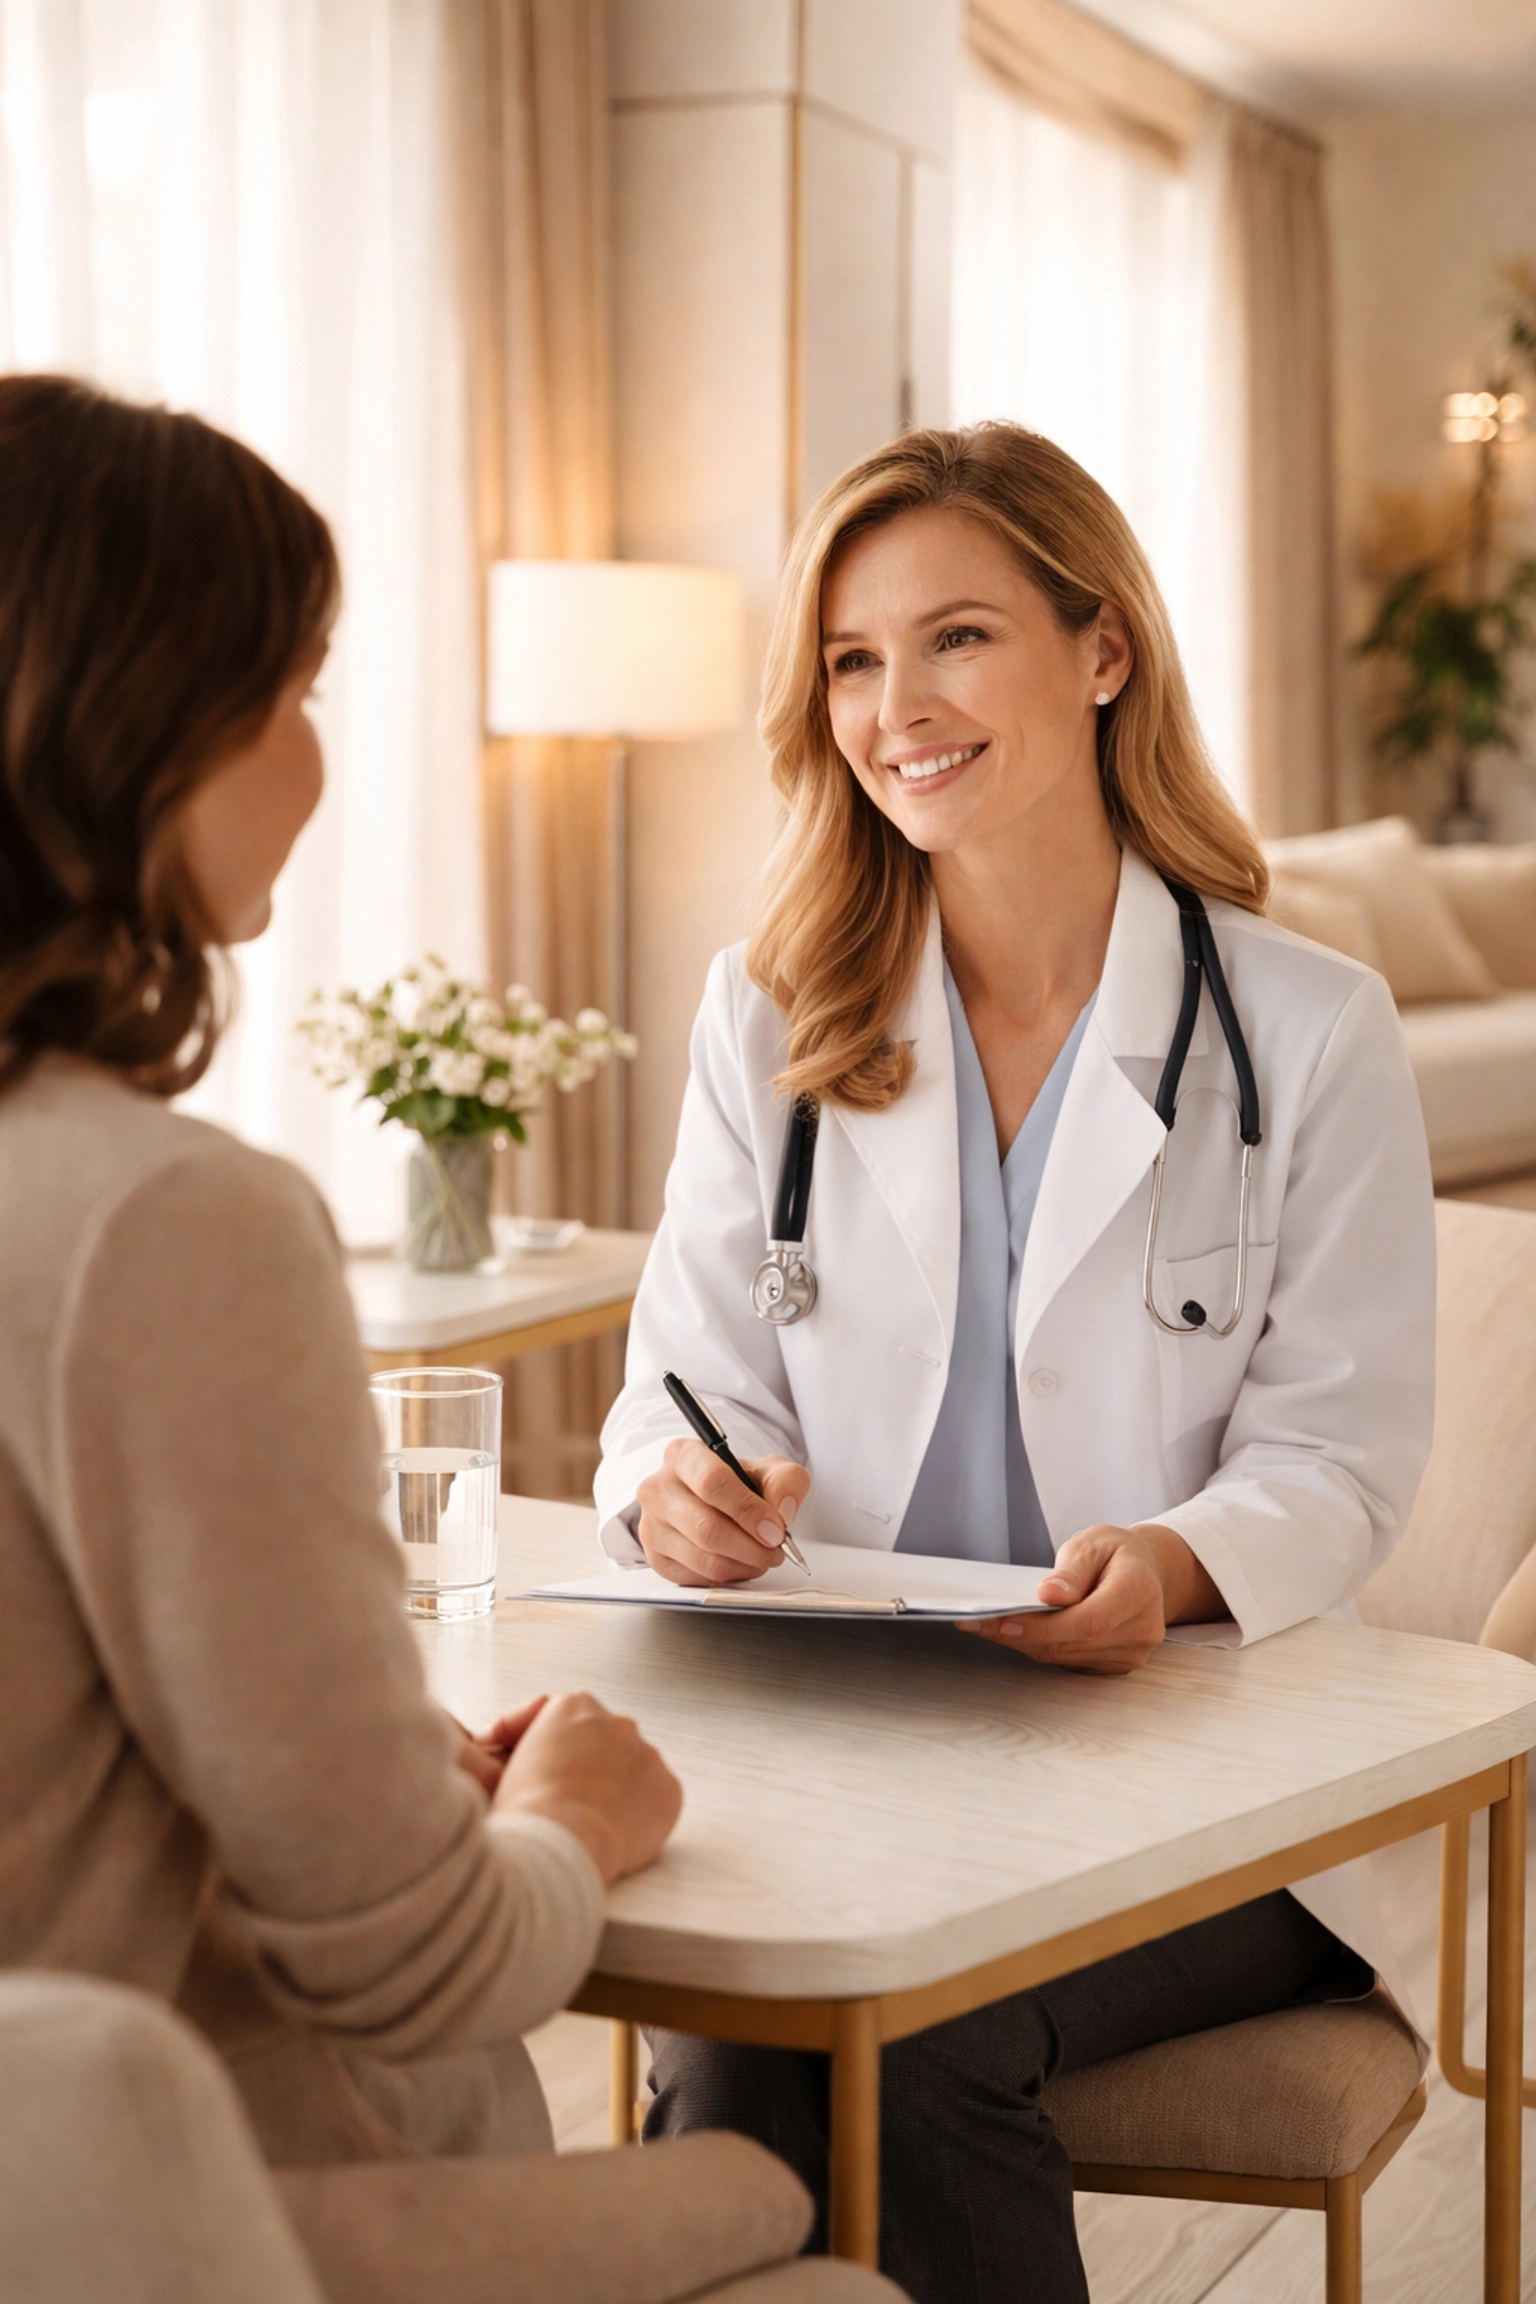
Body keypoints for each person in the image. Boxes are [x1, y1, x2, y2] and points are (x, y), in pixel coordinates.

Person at [0, 375, 903, 2304]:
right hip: (153, 2216)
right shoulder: (164, 1223)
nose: (320, 765)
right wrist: (577, 1817)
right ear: (138, 719)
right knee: (787, 2212)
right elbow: (414, 1972)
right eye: (297, 690)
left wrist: (349, 1760)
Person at [595, 422, 1436, 2304]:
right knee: (740, 2032)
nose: (900, 707)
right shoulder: (774, 1011)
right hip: (857, 1760)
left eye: (958, 638)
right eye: (852, 659)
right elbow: (679, 1388)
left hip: (1207, 1782)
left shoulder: (1307, 1031)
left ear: (1103, 649)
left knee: (904, 2027)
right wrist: (688, 1497)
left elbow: (1347, 1456)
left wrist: (1171, 1565)